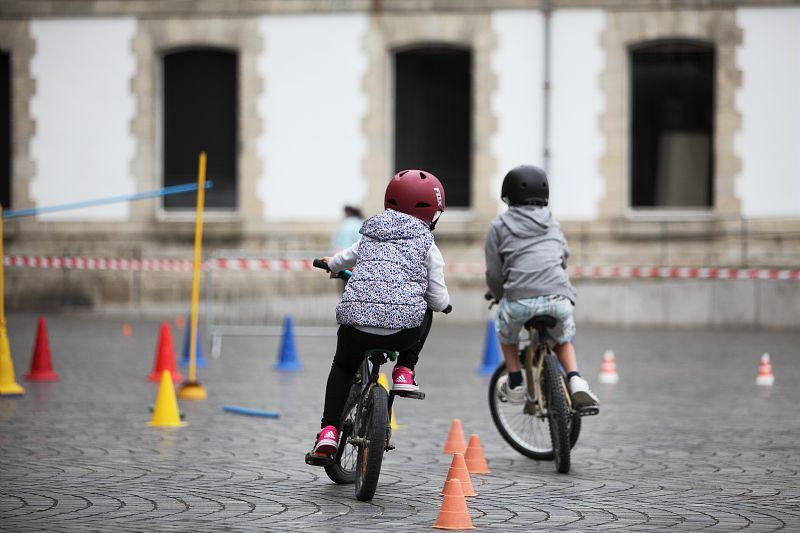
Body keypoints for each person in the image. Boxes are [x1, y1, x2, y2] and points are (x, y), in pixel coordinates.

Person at [309, 169, 451, 459]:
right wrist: (444, 304)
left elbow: (343, 258)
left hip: (356, 327)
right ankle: (405, 371)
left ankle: (328, 432)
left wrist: (331, 265)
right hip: (403, 333)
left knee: (343, 366)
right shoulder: (427, 244)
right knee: (425, 308)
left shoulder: (371, 233)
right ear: (431, 212)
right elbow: (436, 298)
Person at [485, 164, 598, 408]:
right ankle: (576, 379)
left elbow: (494, 272)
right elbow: (563, 256)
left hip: (519, 300)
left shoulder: (499, 225)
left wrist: (497, 294)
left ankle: (515, 382)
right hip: (559, 297)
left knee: (505, 330)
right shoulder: (552, 223)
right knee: (563, 337)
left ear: (508, 195)